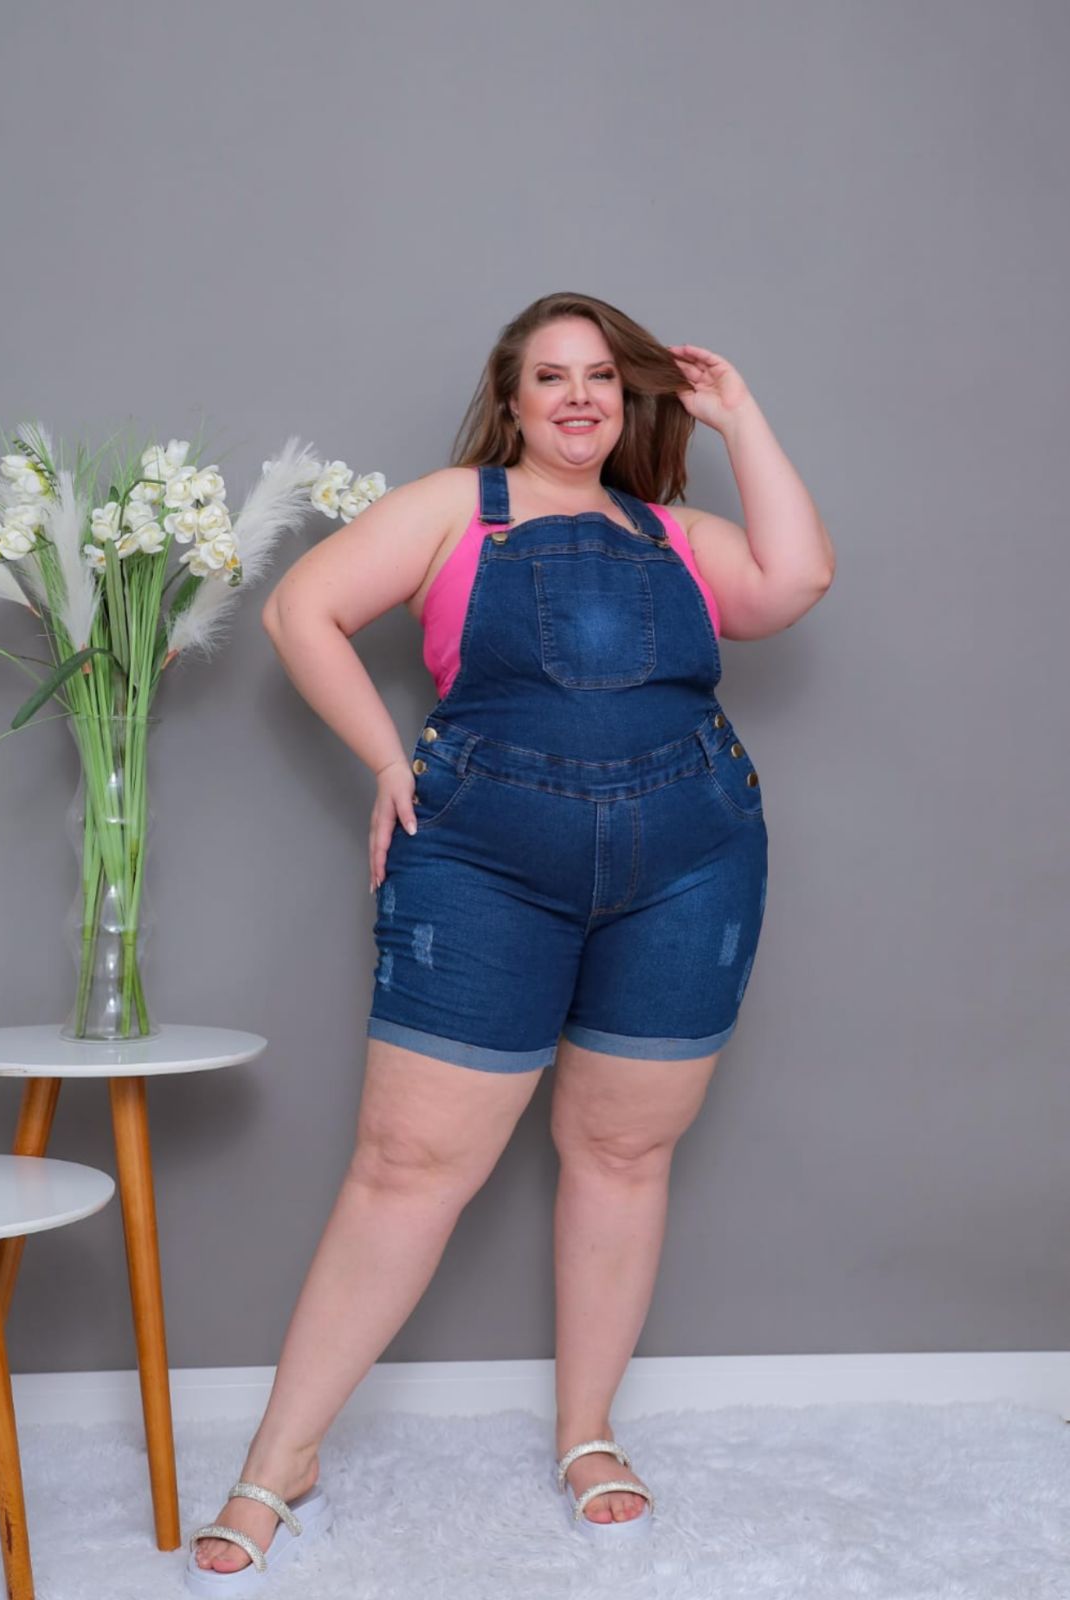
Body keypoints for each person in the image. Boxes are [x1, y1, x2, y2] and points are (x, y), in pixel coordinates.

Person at [186, 292, 835, 1587]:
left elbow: (795, 579)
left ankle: (586, 1434)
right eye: (552, 376)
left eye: (601, 377)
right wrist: (388, 764)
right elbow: (301, 611)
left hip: (691, 862)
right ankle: (279, 1460)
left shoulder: (675, 532)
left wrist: (739, 413)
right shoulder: (452, 510)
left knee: (622, 1152)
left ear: (629, 401)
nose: (579, 397)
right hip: (484, 864)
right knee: (406, 1167)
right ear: (512, 398)